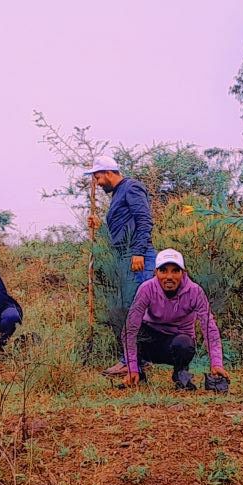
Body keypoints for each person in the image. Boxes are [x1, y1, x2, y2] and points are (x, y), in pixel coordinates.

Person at [85, 154, 156, 376]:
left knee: (136, 309)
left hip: (137, 259)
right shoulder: (118, 194)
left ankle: (131, 361)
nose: (97, 182)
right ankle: (135, 361)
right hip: (124, 258)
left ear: (108, 172)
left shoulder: (132, 188)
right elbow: (120, 234)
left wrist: (138, 253)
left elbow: (144, 220)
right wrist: (100, 226)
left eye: (98, 177)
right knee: (128, 309)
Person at [122, 249, 229, 390]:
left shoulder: (195, 292)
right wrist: (132, 367)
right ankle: (138, 371)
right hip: (150, 340)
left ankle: (180, 372)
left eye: (175, 271)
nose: (169, 276)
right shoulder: (146, 289)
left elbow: (209, 327)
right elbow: (131, 328)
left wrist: (216, 364)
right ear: (156, 273)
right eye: (163, 271)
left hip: (177, 341)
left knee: (184, 343)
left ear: (183, 273)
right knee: (129, 328)